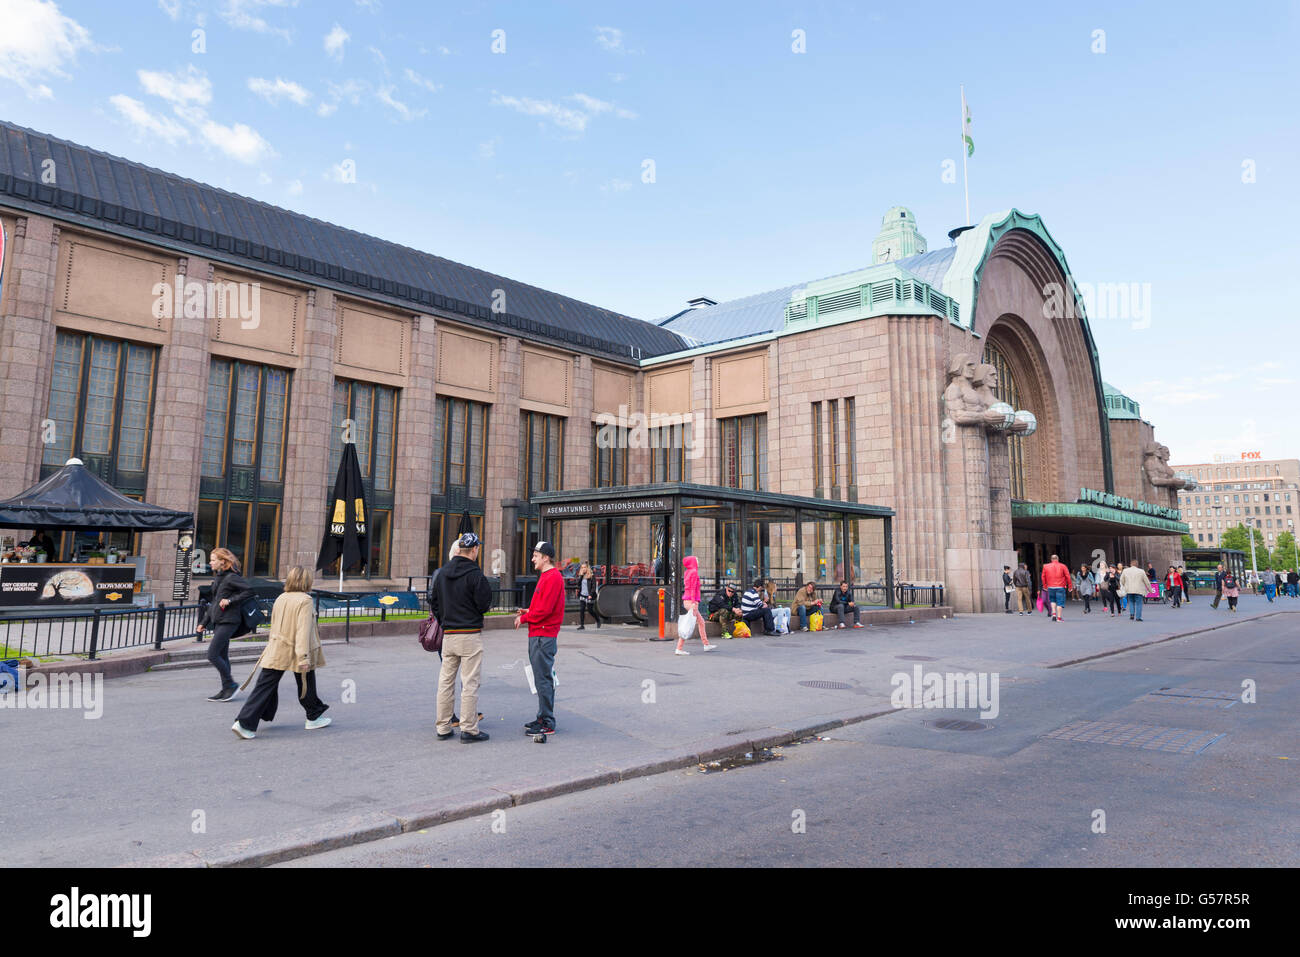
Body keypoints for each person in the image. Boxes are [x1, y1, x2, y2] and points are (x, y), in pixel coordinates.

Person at [231, 566, 329, 739]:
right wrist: (304, 656)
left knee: (266, 684)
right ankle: (245, 723)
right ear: (306, 581)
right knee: (305, 682)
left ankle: (313, 714)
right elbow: (303, 630)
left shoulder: (281, 598)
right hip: (298, 649)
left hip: (277, 648)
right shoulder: (305, 600)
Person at [433, 532, 493, 743]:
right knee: (469, 683)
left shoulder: (442, 573)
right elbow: (484, 604)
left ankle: (443, 727)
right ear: (475, 549)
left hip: (448, 635)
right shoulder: (475, 575)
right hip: (469, 634)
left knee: (445, 682)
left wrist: (445, 621)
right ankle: (469, 728)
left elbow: (435, 603)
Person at [516, 541, 570, 735]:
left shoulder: (552, 577)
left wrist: (524, 617)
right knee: (541, 678)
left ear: (546, 557)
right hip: (540, 633)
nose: (532, 559)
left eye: (536, 555)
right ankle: (543, 716)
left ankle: (547, 722)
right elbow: (543, 607)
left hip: (543, 635)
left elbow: (546, 610)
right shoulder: (547, 576)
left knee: (543, 679)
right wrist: (529, 611)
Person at [196, 547, 254, 701]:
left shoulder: (231, 577)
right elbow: (214, 602)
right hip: (219, 620)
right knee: (222, 655)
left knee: (212, 654)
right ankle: (225, 690)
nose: (210, 562)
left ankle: (230, 685)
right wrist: (204, 622)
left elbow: (249, 591)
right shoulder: (219, 578)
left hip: (229, 621)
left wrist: (230, 600)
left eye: (213, 560)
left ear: (223, 562)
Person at [676, 555, 718, 654]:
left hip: (687, 601)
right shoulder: (694, 572)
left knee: (701, 622)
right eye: (696, 560)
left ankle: (706, 644)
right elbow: (692, 588)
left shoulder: (687, 572)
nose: (698, 562)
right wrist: (694, 602)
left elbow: (689, 586)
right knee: (688, 625)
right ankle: (679, 648)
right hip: (692, 601)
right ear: (692, 562)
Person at [1040, 553, 1072, 622]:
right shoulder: (1063, 566)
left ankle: (1054, 615)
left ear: (1051, 559)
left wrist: (1045, 586)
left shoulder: (1046, 566)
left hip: (1050, 587)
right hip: (1060, 586)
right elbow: (1068, 576)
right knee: (1060, 602)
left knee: (1052, 600)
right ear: (1058, 559)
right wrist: (1070, 586)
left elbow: (1043, 577)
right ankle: (1059, 618)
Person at [576, 561, 602, 630]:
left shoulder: (591, 576)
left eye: (584, 567)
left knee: (590, 610)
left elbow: (594, 586)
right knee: (582, 610)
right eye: (582, 567)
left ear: (587, 568)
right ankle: (582, 625)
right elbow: (578, 584)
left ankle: (598, 620)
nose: (583, 569)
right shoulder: (581, 575)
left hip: (589, 595)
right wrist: (581, 576)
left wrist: (590, 594)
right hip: (582, 595)